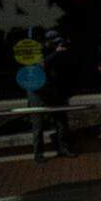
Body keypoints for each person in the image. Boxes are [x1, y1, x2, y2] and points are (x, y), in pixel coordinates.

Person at [30, 29, 78, 162]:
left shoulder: (57, 51)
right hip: (37, 90)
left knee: (61, 121)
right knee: (38, 124)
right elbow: (41, 65)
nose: (56, 44)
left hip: (54, 89)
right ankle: (38, 153)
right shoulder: (36, 51)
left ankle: (64, 147)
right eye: (53, 42)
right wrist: (55, 53)